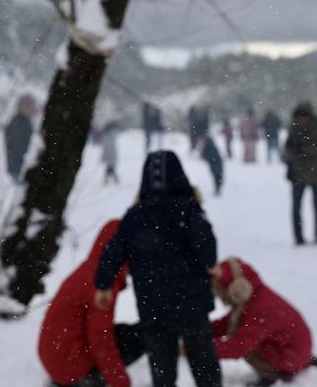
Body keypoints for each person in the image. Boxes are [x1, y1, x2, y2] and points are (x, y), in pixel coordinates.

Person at [95, 151, 222, 387]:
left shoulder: (134, 217)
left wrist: (103, 284)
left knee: (162, 367)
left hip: (153, 305)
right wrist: (211, 264)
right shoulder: (189, 211)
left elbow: (112, 252)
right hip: (191, 304)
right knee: (203, 363)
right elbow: (207, 247)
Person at [39, 220, 144, 387]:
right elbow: (100, 337)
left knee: (127, 332)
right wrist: (121, 382)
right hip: (69, 367)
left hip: (57, 358)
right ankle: (87, 381)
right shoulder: (103, 283)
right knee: (143, 335)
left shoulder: (89, 270)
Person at [210, 258, 317, 387]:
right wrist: (200, 331)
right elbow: (226, 323)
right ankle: (300, 360)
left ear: (238, 287)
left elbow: (237, 347)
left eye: (221, 290)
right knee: (244, 333)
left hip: (291, 356)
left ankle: (272, 374)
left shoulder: (260, 309)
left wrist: (202, 348)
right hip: (297, 350)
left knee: (244, 342)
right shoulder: (255, 297)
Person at [284, 102, 317, 246]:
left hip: (316, 173)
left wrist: (305, 150)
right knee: (296, 208)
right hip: (298, 174)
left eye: (304, 116)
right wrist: (293, 153)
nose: (302, 119)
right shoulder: (294, 128)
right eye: (299, 116)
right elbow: (287, 148)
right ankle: (298, 238)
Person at [4, 93, 36, 183]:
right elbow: (16, 145)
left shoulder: (25, 121)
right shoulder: (19, 122)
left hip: (21, 165)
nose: (31, 108)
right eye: (29, 106)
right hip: (18, 167)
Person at [100, 120, 120, 185]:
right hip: (110, 153)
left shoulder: (110, 134)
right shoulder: (108, 135)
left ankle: (110, 179)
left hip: (111, 153)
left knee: (111, 167)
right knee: (110, 167)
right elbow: (106, 145)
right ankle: (112, 179)